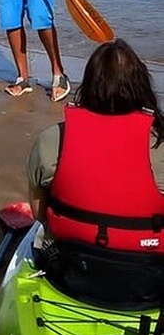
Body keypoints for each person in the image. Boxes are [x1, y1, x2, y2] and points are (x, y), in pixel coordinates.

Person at [27, 39, 164, 307]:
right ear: (142, 87)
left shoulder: (51, 140)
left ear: (88, 86)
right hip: (150, 279)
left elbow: (39, 214)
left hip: (70, 271)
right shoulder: (160, 144)